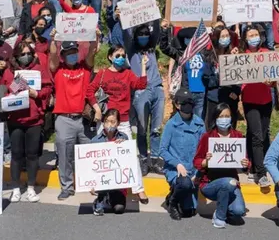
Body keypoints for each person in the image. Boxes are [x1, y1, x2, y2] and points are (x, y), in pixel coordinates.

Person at [50, 30, 99, 200]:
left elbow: (92, 52)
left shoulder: (85, 68)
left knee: (90, 154)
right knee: (64, 156)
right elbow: (53, 57)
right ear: (63, 55)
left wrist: (96, 37)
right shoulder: (57, 70)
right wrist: (53, 39)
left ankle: (93, 184)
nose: (72, 55)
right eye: (68, 53)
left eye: (74, 52)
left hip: (83, 119)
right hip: (64, 119)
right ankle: (67, 187)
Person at [2, 42, 51, 203]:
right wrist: (18, 85)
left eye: (28, 53)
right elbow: (5, 90)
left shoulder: (38, 70)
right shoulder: (10, 72)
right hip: (15, 119)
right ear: (16, 56)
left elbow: (47, 88)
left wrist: (34, 93)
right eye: (22, 54)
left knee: (32, 155)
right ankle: (16, 188)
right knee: (16, 155)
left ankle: (30, 187)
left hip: (34, 119)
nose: (26, 56)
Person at [193, 103, 249, 228]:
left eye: (227, 116)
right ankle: (219, 216)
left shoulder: (238, 137)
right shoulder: (207, 137)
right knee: (227, 183)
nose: (224, 119)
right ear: (216, 118)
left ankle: (223, 207)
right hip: (209, 183)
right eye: (221, 116)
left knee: (239, 211)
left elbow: (245, 163)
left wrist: (245, 163)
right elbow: (196, 161)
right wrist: (206, 161)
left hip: (232, 183)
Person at [123, 19, 165, 175]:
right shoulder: (132, 50)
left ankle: (154, 159)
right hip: (141, 91)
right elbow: (126, 33)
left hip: (157, 89)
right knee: (141, 128)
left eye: (146, 34)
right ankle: (142, 159)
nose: (144, 37)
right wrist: (123, 18)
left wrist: (154, 14)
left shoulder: (152, 48)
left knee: (156, 128)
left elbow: (156, 29)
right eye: (140, 34)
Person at [87, 45, 148, 143]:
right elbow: (89, 91)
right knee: (104, 151)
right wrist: (97, 109)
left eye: (123, 56)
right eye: (118, 55)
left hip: (123, 121)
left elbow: (142, 85)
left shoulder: (128, 74)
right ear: (110, 57)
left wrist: (143, 66)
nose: (121, 58)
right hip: (106, 120)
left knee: (126, 152)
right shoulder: (102, 73)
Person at [160, 90, 206, 220]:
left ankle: (174, 195)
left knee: (189, 212)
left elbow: (204, 149)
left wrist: (198, 173)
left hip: (194, 170)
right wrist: (177, 164)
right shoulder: (171, 124)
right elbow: (163, 150)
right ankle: (173, 203)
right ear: (177, 105)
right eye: (184, 103)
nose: (188, 105)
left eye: (190, 102)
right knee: (184, 184)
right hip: (176, 170)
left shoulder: (199, 123)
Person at [240, 24, 274, 188]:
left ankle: (253, 165)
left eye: (256, 34)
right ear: (245, 39)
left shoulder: (266, 54)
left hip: (266, 101)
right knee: (257, 136)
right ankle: (261, 174)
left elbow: (274, 79)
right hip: (250, 101)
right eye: (250, 35)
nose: (253, 37)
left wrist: (271, 81)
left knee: (262, 134)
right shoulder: (240, 56)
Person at [90, 109, 129, 216]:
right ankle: (101, 199)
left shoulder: (124, 138)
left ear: (118, 123)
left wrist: (124, 146)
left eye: (113, 122)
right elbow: (90, 165)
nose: (109, 124)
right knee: (99, 208)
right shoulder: (95, 140)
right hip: (102, 181)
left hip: (117, 183)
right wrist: (90, 183)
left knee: (119, 209)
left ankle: (111, 198)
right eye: (107, 121)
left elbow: (128, 162)